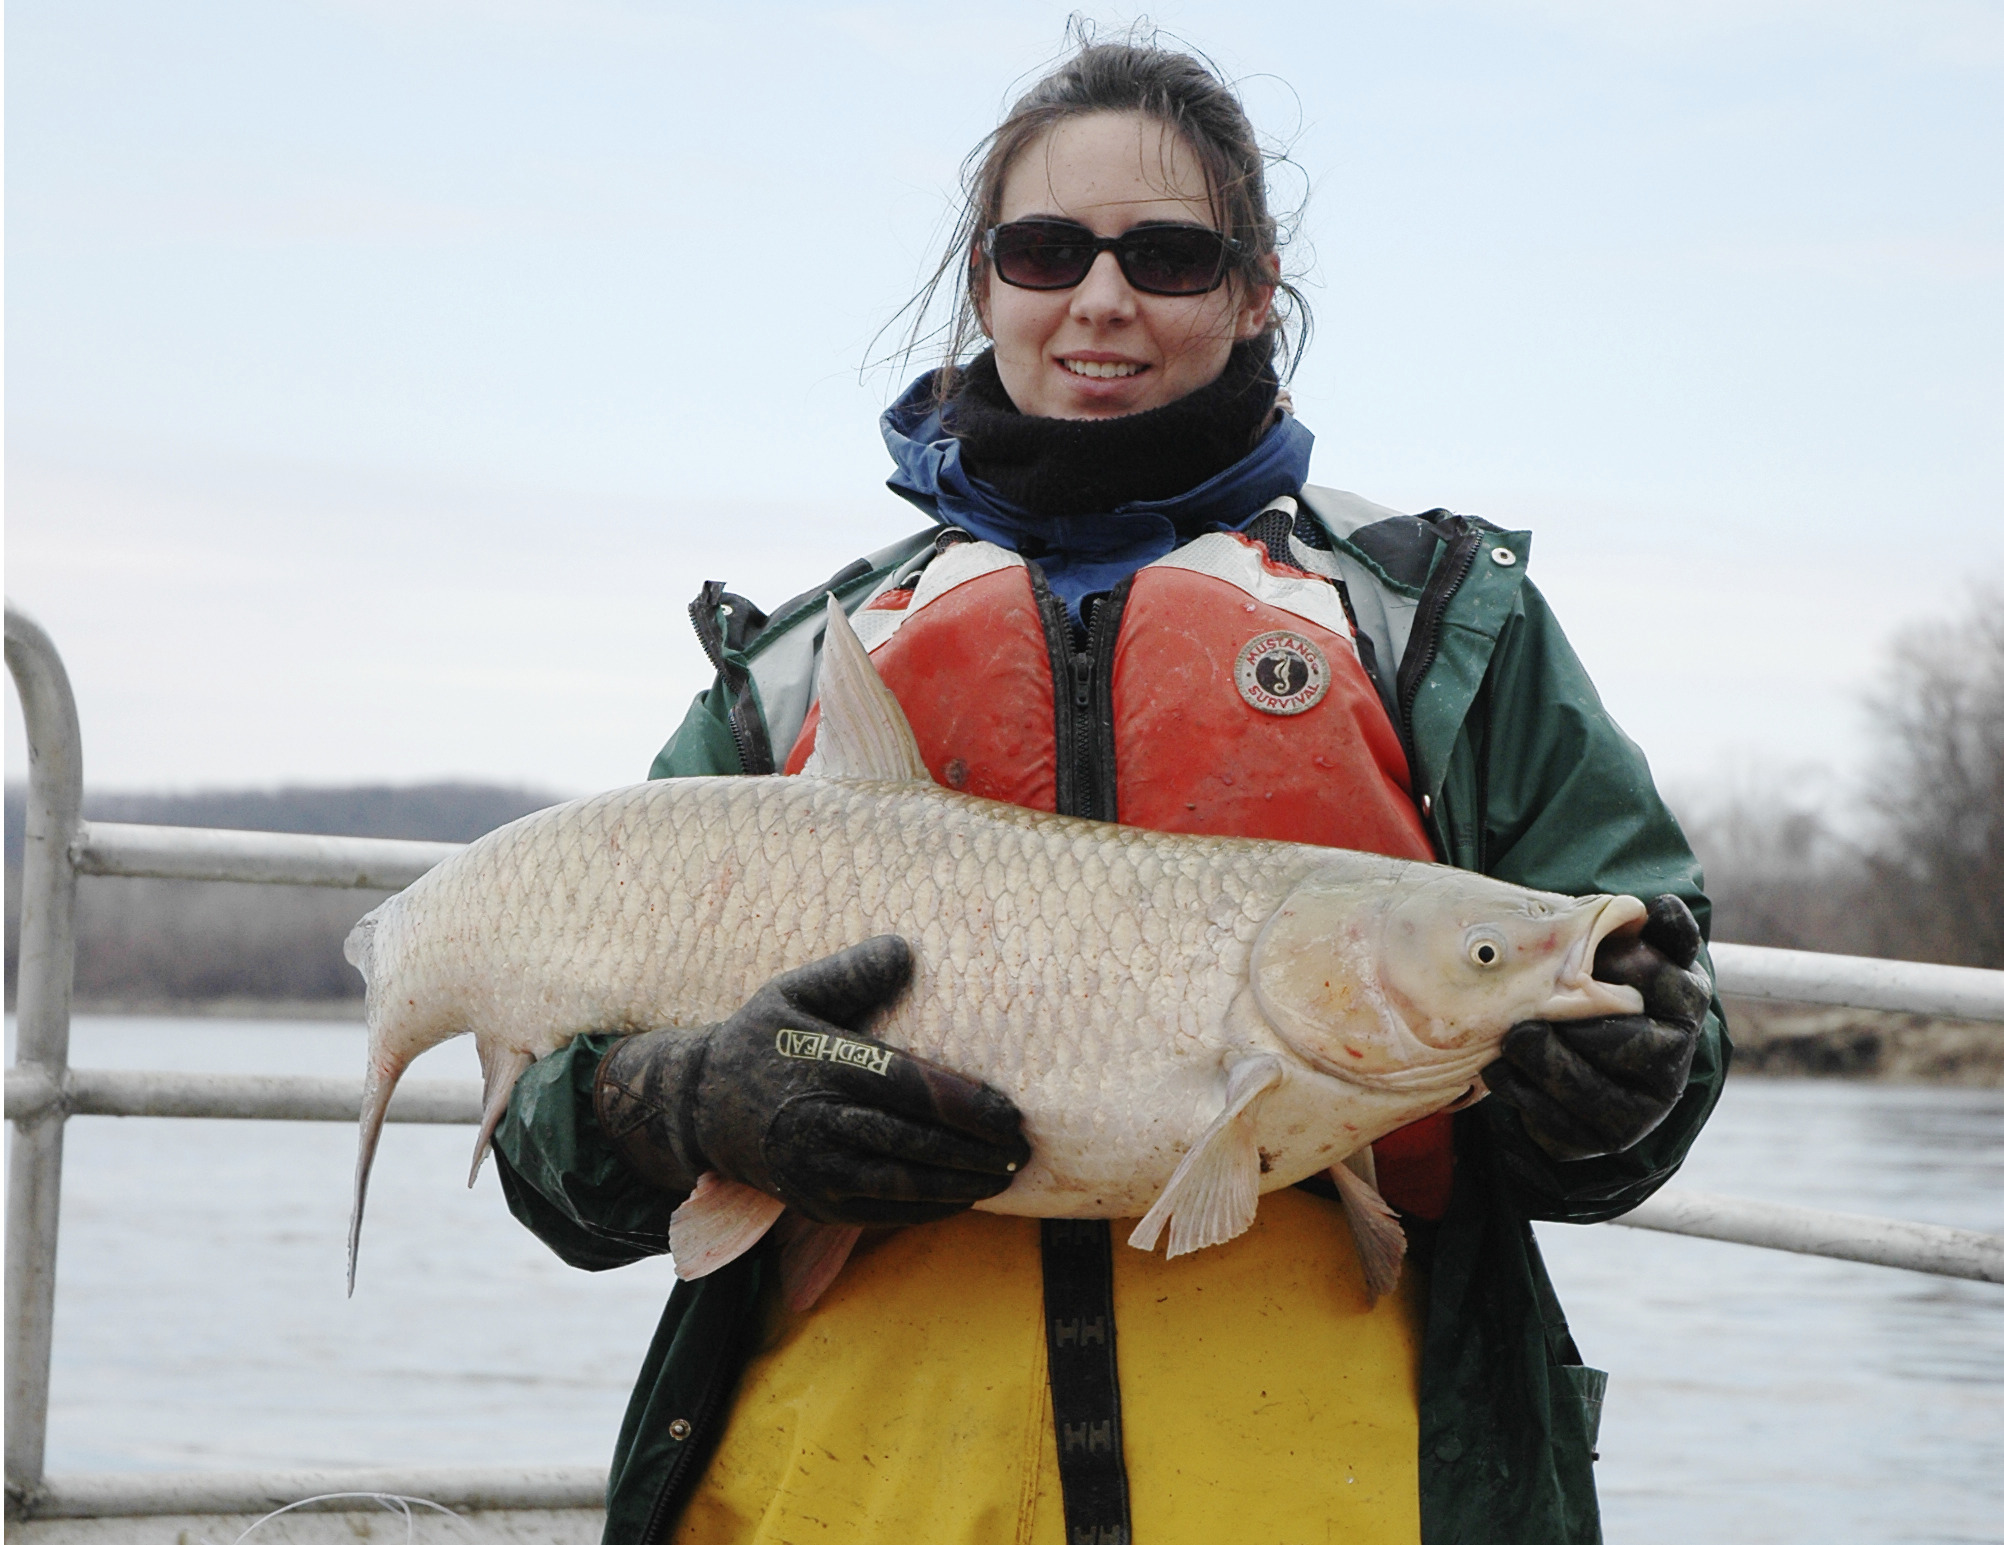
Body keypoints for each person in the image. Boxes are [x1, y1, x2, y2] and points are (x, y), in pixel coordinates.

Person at [492, 35, 1727, 1545]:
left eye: (1168, 253)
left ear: (1255, 288)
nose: (1102, 298)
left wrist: (1625, 1080)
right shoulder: (800, 673)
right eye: (1044, 249)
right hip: (843, 1495)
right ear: (984, 281)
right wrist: (675, 1101)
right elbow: (551, 1146)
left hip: (1338, 1495)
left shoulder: (1442, 626)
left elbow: (1646, 993)